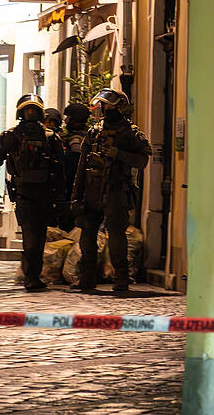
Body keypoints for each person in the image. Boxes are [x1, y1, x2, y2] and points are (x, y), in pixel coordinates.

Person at [70, 89, 152, 291]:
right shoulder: (94, 132)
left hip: (116, 190)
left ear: (121, 108)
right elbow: (82, 166)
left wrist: (119, 154)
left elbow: (142, 160)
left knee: (116, 235)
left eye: (111, 107)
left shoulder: (131, 133)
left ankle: (121, 278)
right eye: (105, 106)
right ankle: (87, 279)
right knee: (87, 236)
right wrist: (76, 196)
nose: (107, 110)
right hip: (92, 190)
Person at [0, 94, 66, 292]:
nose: (30, 114)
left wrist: (61, 195)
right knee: (32, 237)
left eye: (33, 110)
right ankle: (31, 276)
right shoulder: (11, 136)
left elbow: (60, 169)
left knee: (38, 237)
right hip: (26, 193)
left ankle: (33, 275)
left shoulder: (47, 137)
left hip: (42, 193)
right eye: (27, 110)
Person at [62, 103, 92, 198]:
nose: (65, 120)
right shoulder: (87, 134)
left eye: (68, 117)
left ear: (75, 119)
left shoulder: (77, 139)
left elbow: (75, 165)